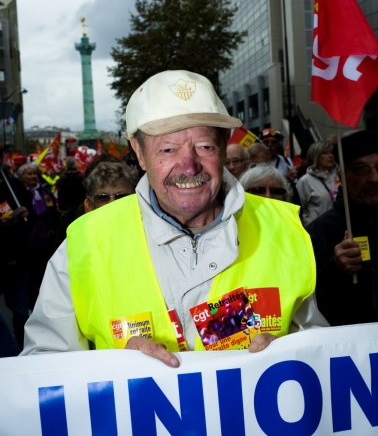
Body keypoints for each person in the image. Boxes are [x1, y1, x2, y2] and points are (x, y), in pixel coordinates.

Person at [22, 70, 328, 363]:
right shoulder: (84, 244)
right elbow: (43, 368)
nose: (188, 165)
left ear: (223, 147)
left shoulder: (286, 231)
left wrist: (291, 356)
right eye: (167, 149)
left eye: (204, 146)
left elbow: (325, 355)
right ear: (139, 153)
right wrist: (110, 370)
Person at [307, 130, 378, 326]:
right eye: (361, 169)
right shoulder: (319, 231)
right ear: (343, 177)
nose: (375, 178)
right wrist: (334, 270)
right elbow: (305, 308)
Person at [0, 147, 32, 348]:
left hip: (15, 261)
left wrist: (23, 216)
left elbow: (31, 220)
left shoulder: (13, 184)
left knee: (22, 312)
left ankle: (21, 350)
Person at [17, 163, 58, 309]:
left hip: (46, 242)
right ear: (21, 177)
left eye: (34, 173)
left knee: (46, 278)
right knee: (32, 280)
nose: (33, 176)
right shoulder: (19, 195)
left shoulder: (45, 192)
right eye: (29, 174)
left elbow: (53, 214)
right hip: (28, 244)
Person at [297, 141, 340, 227]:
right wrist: (308, 223)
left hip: (339, 227)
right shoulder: (305, 181)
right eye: (325, 153)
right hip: (318, 230)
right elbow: (299, 209)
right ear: (315, 157)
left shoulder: (340, 176)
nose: (330, 155)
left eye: (331, 152)